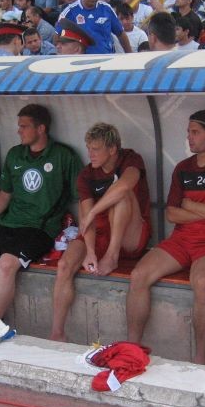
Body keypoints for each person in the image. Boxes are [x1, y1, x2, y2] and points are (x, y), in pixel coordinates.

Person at [126, 111, 205, 364]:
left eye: (195, 132)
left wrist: (190, 205)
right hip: (181, 240)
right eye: (188, 132)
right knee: (138, 275)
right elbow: (171, 214)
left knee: (201, 282)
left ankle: (199, 359)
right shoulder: (183, 168)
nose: (189, 137)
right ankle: (131, 348)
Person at [0, 104, 82, 343]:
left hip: (40, 228)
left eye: (24, 126)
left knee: (8, 263)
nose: (19, 131)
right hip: (9, 222)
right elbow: (4, 194)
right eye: (19, 126)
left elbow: (82, 197)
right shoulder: (15, 155)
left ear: (41, 128)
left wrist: (83, 231)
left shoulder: (64, 156)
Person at [50, 123, 152, 341]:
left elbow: (124, 186)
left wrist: (94, 210)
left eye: (95, 149)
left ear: (112, 149)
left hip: (129, 235)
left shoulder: (130, 159)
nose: (90, 154)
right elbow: (86, 216)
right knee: (64, 264)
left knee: (120, 194)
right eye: (88, 148)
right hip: (99, 231)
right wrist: (89, 251)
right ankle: (57, 333)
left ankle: (112, 256)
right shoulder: (87, 174)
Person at [57, 0, 131, 54]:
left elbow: (121, 34)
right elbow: (57, 37)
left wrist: (130, 55)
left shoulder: (107, 9)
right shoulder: (69, 11)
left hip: (106, 60)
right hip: (81, 62)